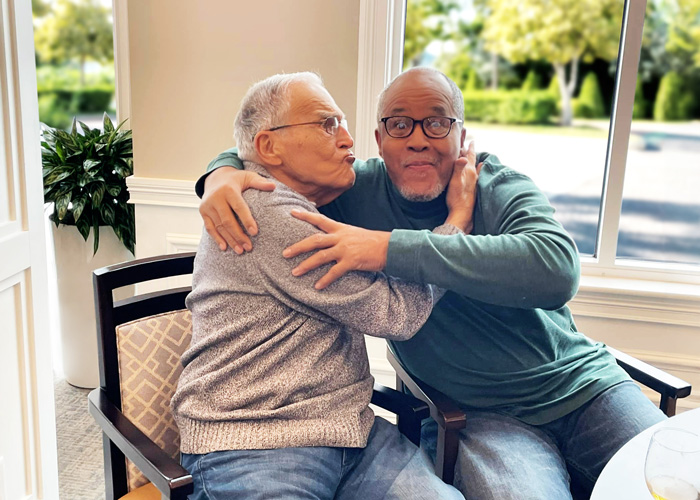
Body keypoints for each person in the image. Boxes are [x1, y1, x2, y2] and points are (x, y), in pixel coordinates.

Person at [196, 67, 667, 500]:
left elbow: (557, 267)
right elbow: (268, 153)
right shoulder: (347, 191)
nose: (418, 139)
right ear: (379, 139)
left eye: (437, 123)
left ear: (462, 135)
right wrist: (222, 173)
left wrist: (390, 247)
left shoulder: (489, 182)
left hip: (584, 385)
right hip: (482, 415)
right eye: (400, 124)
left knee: (677, 477)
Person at [171, 71, 469, 500]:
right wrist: (456, 224)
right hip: (253, 442)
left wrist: (221, 169)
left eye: (344, 123)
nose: (348, 139)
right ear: (270, 147)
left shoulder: (301, 199)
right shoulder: (272, 214)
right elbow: (396, 313)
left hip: (350, 432)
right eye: (328, 124)